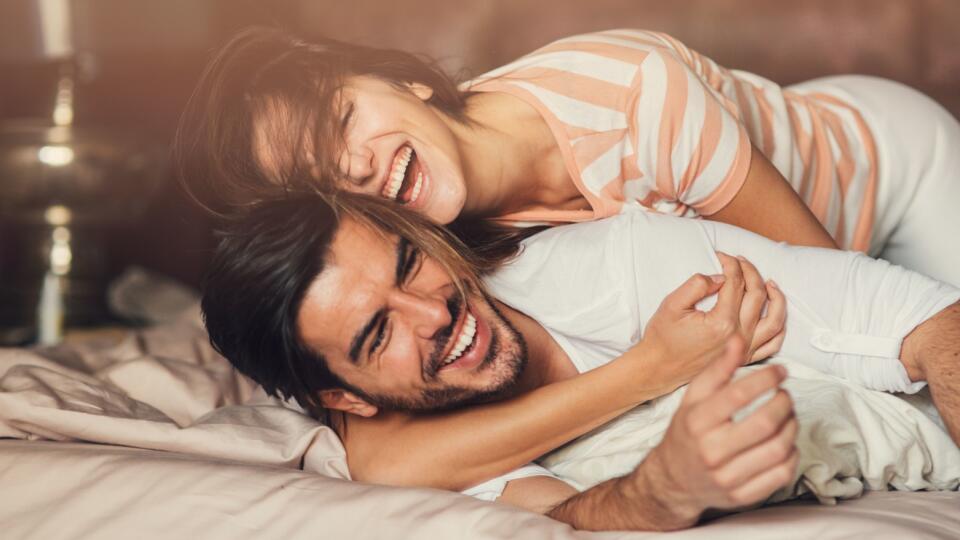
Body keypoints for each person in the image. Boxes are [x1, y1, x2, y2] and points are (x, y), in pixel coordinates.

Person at [201, 192, 960, 531]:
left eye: (408, 263)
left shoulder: (622, 263)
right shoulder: (416, 459)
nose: (436, 314)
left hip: (894, 164)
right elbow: (562, 516)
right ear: (348, 399)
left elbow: (936, 323)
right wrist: (664, 487)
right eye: (377, 335)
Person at [175, 27, 960, 287]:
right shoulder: (423, 246)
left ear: (407, 80)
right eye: (316, 181)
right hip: (766, 137)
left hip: (885, 161)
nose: (351, 170)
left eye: (342, 120)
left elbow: (835, 291)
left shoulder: (636, 99)